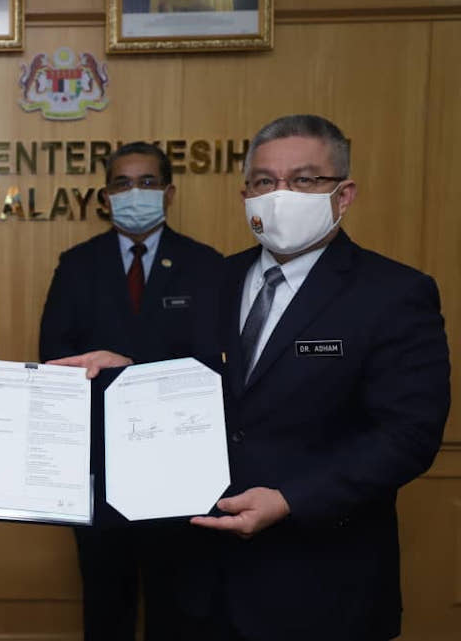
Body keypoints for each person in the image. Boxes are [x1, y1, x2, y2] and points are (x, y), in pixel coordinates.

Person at [186, 113, 450, 640]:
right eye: (265, 182)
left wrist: (290, 499)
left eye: (304, 180)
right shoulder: (213, 280)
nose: (280, 194)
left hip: (326, 585)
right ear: (246, 196)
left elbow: (408, 436)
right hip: (207, 582)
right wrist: (119, 372)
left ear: (343, 194)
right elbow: (185, 385)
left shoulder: (394, 294)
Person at [39, 142, 223, 640]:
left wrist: (133, 369)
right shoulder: (77, 265)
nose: (134, 193)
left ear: (169, 192)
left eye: (146, 182)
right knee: (105, 609)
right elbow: (54, 359)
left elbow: (214, 367)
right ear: (105, 196)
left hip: (178, 469)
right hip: (98, 469)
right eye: (122, 183)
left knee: (177, 611)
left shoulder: (206, 265)